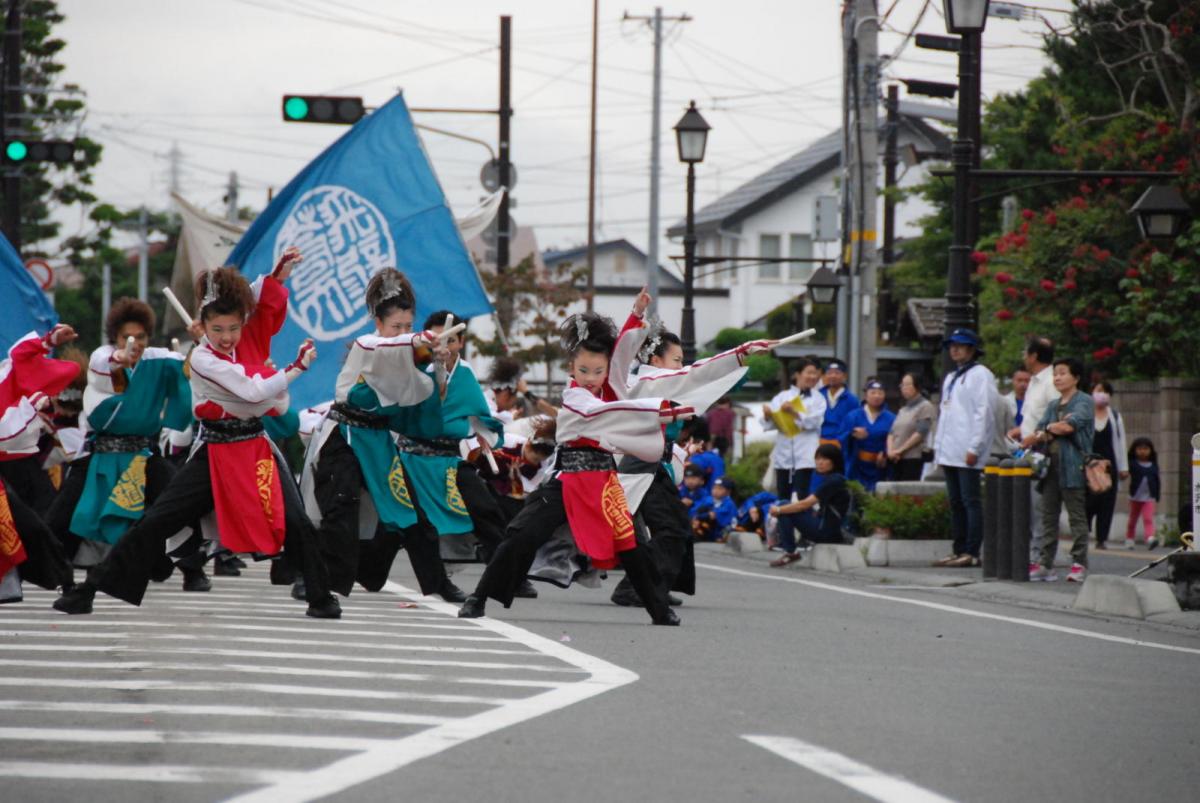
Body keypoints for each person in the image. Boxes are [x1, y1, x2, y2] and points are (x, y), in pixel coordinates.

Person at [53, 251, 342, 618]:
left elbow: (260, 300)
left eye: (232, 327)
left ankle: (320, 596)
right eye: (217, 329)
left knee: (296, 519)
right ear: (203, 326)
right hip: (215, 451)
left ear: (241, 320)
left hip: (254, 446)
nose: (226, 336)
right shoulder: (203, 358)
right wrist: (295, 369)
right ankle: (89, 591)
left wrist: (278, 275)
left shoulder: (247, 336)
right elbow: (253, 393)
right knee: (157, 520)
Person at [457, 311, 690, 626]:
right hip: (566, 480)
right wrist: (654, 411)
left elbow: (622, 356)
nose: (590, 377)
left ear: (607, 369)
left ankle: (659, 609)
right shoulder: (575, 396)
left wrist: (635, 318)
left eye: (598, 370)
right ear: (571, 369)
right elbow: (602, 412)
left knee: (632, 544)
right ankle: (479, 598)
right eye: (583, 370)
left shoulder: (612, 391)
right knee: (522, 534)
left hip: (603, 482)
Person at [300, 269, 456, 600]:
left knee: (411, 511)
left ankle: (437, 583)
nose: (401, 332)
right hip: (342, 437)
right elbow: (391, 346)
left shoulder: (411, 363)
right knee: (339, 508)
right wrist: (418, 340)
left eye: (407, 326)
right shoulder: (366, 346)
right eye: (395, 326)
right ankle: (317, 581)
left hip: (378, 442)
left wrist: (438, 360)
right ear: (379, 323)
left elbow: (430, 393)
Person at [1024, 357, 1094, 582]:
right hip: (1050, 467)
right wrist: (1052, 428)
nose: (1057, 377)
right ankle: (1045, 563)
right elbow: (1039, 430)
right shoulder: (1054, 405)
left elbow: (1068, 427)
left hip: (1073, 466)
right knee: (1048, 516)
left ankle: (1079, 564)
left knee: (1076, 518)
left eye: (1063, 373)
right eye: (1055, 373)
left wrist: (1052, 428)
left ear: (1076, 377)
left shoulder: (1084, 401)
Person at [932, 329, 997, 569]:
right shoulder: (951, 377)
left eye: (961, 345)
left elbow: (984, 413)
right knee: (956, 502)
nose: (955, 349)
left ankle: (971, 550)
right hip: (950, 448)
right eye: (952, 345)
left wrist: (975, 446)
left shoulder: (981, 375)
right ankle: (958, 548)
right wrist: (938, 448)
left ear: (972, 349)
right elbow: (945, 413)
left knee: (971, 501)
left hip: (967, 449)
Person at [762, 359, 826, 558]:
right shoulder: (782, 396)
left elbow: (815, 422)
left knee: (801, 498)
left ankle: (806, 536)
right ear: (797, 374)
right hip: (783, 456)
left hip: (806, 455)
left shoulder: (818, 398)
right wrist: (767, 415)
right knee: (783, 499)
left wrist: (795, 413)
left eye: (815, 373)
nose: (812, 377)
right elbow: (769, 425)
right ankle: (786, 541)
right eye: (808, 372)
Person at [1013, 336, 1058, 568]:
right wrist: (1019, 431)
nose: (1024, 357)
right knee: (1028, 506)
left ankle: (1041, 558)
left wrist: (1037, 435)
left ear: (1034, 356)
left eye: (1026, 353)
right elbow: (1033, 416)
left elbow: (1057, 419)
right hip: (1027, 452)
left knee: (1040, 506)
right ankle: (1033, 554)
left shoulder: (1051, 382)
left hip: (1044, 452)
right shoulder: (1034, 382)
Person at [768, 443, 851, 565]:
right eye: (817, 458)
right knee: (785, 506)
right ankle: (790, 551)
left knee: (784, 506)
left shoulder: (835, 480)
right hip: (826, 527)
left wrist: (779, 510)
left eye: (825, 459)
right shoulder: (834, 479)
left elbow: (805, 504)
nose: (820, 462)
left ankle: (791, 552)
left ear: (835, 461)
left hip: (827, 532)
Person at [1085, 381, 1128, 550]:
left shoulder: (1115, 417)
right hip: (1089, 465)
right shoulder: (1086, 415)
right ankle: (1084, 532)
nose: (1102, 394)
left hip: (1109, 466)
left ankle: (1101, 538)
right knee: (1088, 501)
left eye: (1106, 391)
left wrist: (1123, 467)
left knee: (1107, 504)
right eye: (1098, 390)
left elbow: (1121, 441)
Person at [840, 379, 895, 493]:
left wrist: (885, 453)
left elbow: (896, 438)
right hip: (857, 466)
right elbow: (841, 437)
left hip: (880, 467)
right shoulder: (853, 416)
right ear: (866, 395)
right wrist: (852, 434)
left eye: (880, 393)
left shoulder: (891, 418)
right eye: (873, 392)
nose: (877, 396)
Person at [887, 373, 936, 481]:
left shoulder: (925, 406)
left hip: (913, 457)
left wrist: (901, 450)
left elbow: (920, 432)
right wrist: (890, 451)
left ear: (917, 386)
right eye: (902, 385)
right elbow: (891, 432)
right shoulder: (902, 409)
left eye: (907, 385)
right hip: (896, 458)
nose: (903, 388)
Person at [1125, 437, 1160, 550]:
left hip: (1149, 497)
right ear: (1134, 450)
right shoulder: (1132, 464)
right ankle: (1129, 538)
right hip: (1135, 497)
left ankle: (1150, 538)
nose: (1142, 451)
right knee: (1133, 519)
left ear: (1150, 450)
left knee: (1148, 518)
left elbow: (1157, 481)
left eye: (1145, 448)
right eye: (1139, 449)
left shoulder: (1153, 465)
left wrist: (1157, 495)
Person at [818, 359, 859, 449]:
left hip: (841, 446)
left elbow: (853, 425)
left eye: (837, 373)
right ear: (825, 376)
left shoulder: (851, 400)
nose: (833, 376)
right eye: (829, 373)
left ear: (844, 376)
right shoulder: (818, 396)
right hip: (818, 443)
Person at [692, 475, 737, 541]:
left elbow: (714, 515)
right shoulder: (708, 499)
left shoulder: (729, 504)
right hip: (709, 531)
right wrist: (696, 518)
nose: (716, 491)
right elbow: (696, 510)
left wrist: (702, 516)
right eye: (714, 488)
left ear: (728, 492)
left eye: (720, 489)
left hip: (721, 532)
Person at [706, 396, 736, 460]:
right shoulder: (730, 413)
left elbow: (707, 424)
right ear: (727, 403)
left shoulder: (710, 413)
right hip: (723, 437)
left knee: (710, 455)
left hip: (711, 436)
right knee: (721, 456)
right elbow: (728, 428)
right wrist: (730, 441)